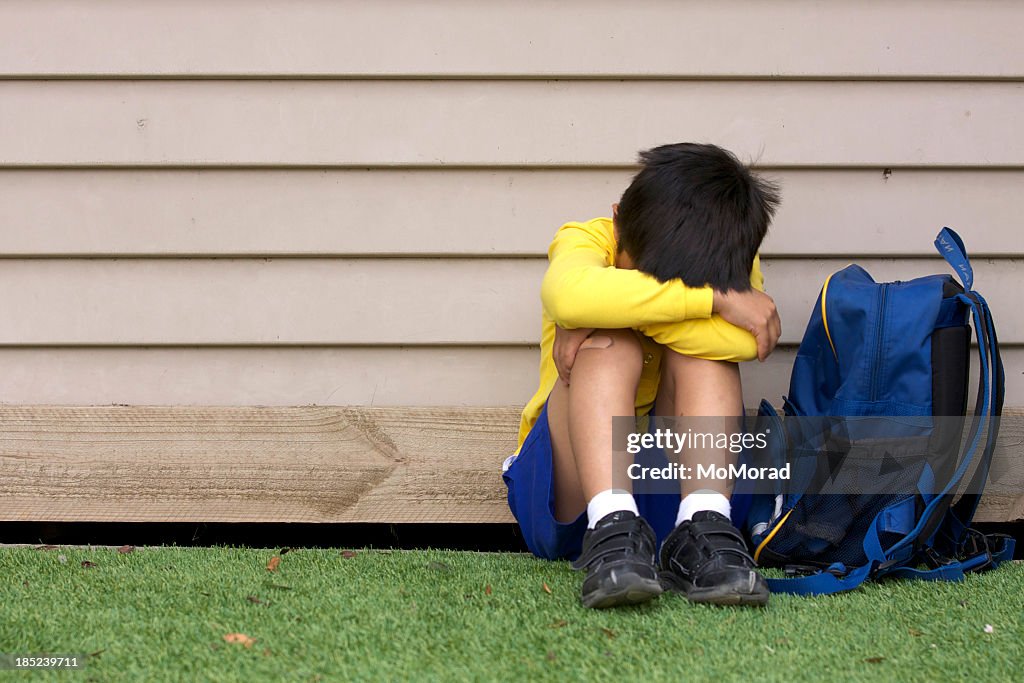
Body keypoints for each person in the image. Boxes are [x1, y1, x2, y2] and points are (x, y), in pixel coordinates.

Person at [501, 143, 782, 608]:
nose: (654, 289)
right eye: (640, 278)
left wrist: (614, 307)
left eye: (675, 283)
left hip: (677, 495)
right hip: (573, 499)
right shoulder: (589, 239)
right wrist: (708, 301)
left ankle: (704, 523)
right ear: (617, 219)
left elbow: (747, 342)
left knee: (706, 358)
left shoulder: (724, 250)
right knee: (611, 346)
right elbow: (568, 296)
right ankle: (611, 526)